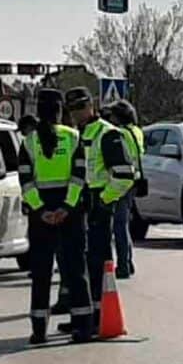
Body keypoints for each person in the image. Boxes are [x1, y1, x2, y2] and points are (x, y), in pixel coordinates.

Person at [18, 90, 93, 344]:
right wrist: (66, 208)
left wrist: (41, 211)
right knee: (75, 270)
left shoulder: (28, 142)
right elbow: (80, 177)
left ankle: (39, 331)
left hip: (41, 216)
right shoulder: (73, 137)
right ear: (60, 111)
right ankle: (82, 327)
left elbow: (25, 182)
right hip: (69, 213)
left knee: (41, 273)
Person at [63, 87, 136, 332]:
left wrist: (104, 201)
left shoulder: (108, 134)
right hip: (78, 205)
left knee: (96, 265)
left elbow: (125, 176)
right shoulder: (75, 135)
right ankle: (83, 317)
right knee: (78, 266)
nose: (77, 114)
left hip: (97, 206)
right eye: (73, 110)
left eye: (81, 108)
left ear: (91, 105)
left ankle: (99, 317)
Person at [108, 100, 145, 279]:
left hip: (122, 180)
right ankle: (128, 262)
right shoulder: (137, 131)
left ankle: (123, 264)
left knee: (119, 225)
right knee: (123, 224)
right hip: (135, 180)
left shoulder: (119, 133)